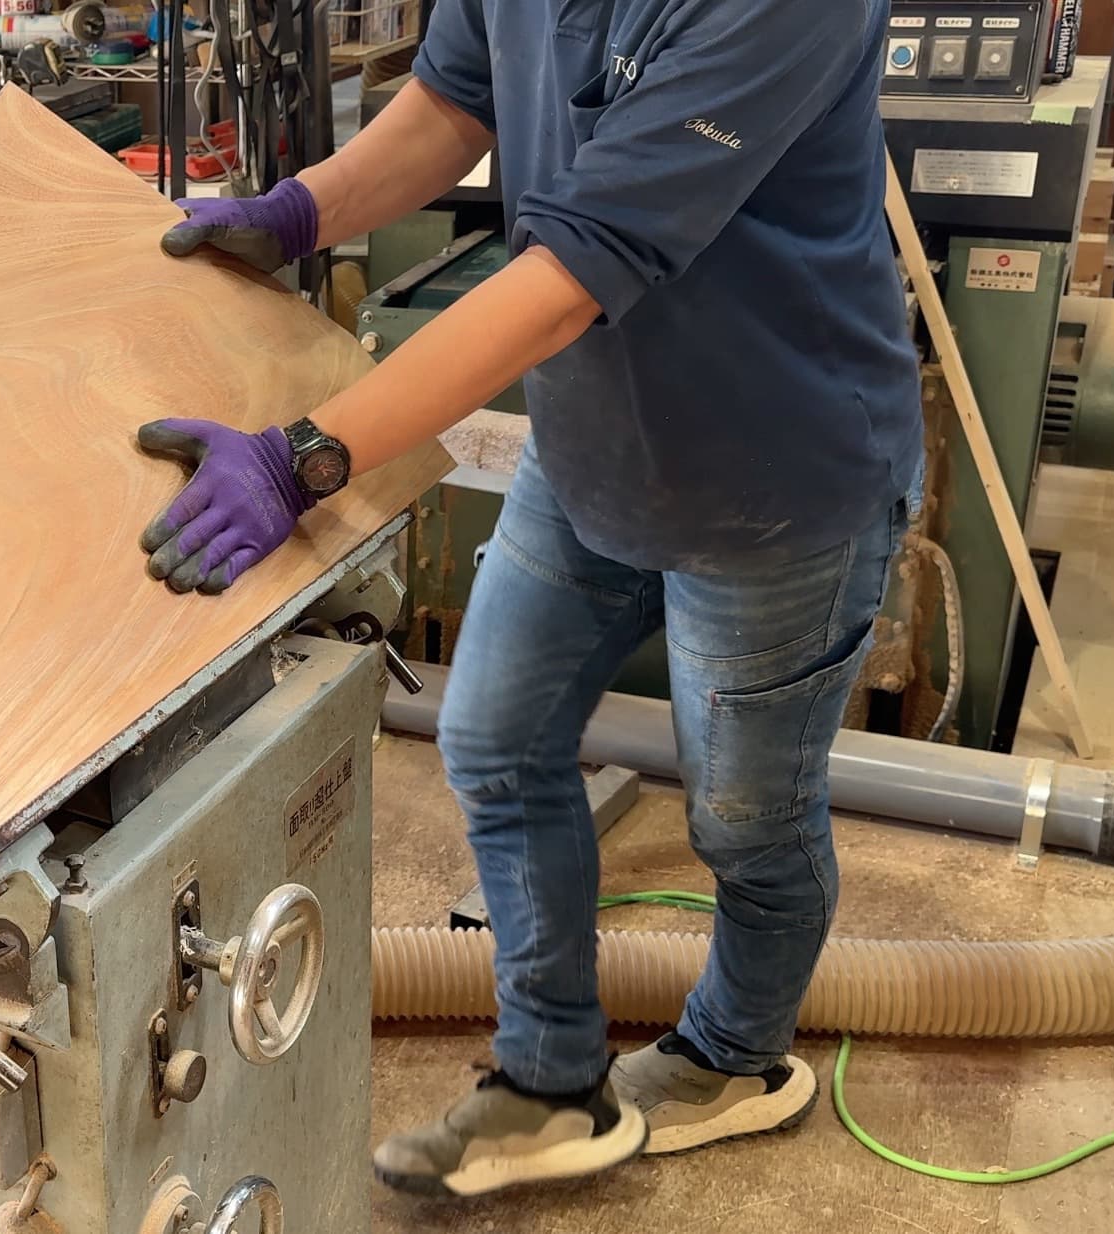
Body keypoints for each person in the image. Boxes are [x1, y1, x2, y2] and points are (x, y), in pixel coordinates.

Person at [138, 0, 923, 1200]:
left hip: (776, 478)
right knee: (494, 738)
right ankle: (552, 1083)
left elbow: (569, 277)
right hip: (595, 440)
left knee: (745, 819)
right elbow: (454, 104)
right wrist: (300, 211)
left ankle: (736, 1055)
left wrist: (305, 461)